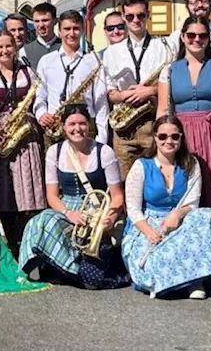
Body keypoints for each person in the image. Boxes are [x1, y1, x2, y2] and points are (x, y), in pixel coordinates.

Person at [18, 105, 130, 288]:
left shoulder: (104, 152)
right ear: (63, 126)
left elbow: (117, 196)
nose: (77, 129)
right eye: (72, 124)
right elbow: (52, 196)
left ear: (89, 125)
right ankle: (44, 269)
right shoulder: (55, 152)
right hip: (67, 208)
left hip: (96, 210)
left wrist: (108, 219)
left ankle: (73, 271)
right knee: (41, 221)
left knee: (96, 253)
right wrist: (68, 213)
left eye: (82, 124)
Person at [121, 115, 211, 299]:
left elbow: (192, 202)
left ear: (181, 138)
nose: (168, 141)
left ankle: (195, 281)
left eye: (174, 137)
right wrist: (150, 233)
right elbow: (133, 210)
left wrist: (178, 213)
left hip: (181, 221)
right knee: (154, 262)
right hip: (147, 225)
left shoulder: (191, 164)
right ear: (155, 137)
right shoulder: (141, 166)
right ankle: (177, 280)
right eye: (162, 136)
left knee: (206, 215)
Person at [156, 16, 211, 227]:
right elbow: (163, 109)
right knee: (185, 183)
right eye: (191, 35)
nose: (197, 39)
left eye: (202, 35)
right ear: (183, 37)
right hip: (181, 134)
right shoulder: (169, 70)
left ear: (208, 38)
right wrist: (160, 143)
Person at [0, 29, 47, 254]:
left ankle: (25, 245)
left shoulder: (27, 73)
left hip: (24, 135)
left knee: (27, 190)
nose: (5, 51)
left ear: (15, 48)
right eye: (0, 47)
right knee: (1, 190)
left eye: (8, 46)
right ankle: (11, 246)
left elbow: (37, 98)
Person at [105, 0, 174, 177]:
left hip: (153, 122)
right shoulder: (112, 52)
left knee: (157, 180)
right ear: (123, 17)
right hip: (124, 128)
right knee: (126, 183)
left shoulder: (163, 47)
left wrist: (149, 91)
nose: (136, 20)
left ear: (148, 15)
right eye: (130, 16)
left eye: (141, 15)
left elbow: (173, 84)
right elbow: (110, 93)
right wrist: (125, 95)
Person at [37, 10, 108, 144]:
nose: (71, 33)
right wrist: (41, 114)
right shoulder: (46, 61)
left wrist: (102, 137)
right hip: (55, 126)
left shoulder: (93, 60)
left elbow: (101, 101)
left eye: (76, 29)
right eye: (67, 29)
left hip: (85, 126)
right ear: (59, 32)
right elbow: (40, 96)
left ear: (82, 30)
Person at [21, 3, 60, 69]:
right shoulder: (24, 52)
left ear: (55, 21)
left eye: (45, 20)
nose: (41, 25)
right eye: (37, 21)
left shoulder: (66, 48)